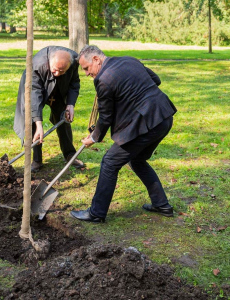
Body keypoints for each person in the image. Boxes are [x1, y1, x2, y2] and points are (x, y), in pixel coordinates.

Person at [71, 45, 177, 223]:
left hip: (147, 124)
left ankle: (96, 213)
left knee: (110, 162)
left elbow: (105, 117)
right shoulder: (129, 60)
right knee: (137, 160)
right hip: (164, 116)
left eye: (87, 68)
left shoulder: (103, 79)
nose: (87, 74)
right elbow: (155, 80)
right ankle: (161, 204)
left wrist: (94, 137)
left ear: (96, 59)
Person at [13, 46, 85, 172]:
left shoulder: (73, 60)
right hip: (35, 88)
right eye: (55, 70)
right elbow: (34, 95)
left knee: (64, 117)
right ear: (49, 62)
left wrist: (70, 104)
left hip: (59, 89)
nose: (57, 74)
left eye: (62, 71)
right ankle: (37, 160)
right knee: (33, 122)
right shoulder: (36, 65)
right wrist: (39, 123)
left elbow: (74, 83)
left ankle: (69, 154)